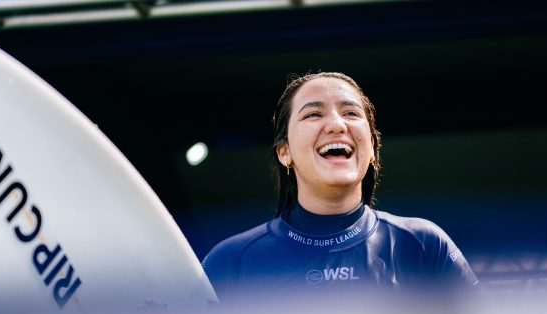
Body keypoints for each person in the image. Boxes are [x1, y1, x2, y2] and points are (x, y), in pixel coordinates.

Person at [202, 72, 478, 301]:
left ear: (371, 148)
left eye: (350, 113)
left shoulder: (422, 244)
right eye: (312, 114)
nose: (336, 124)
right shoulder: (230, 262)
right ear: (283, 152)